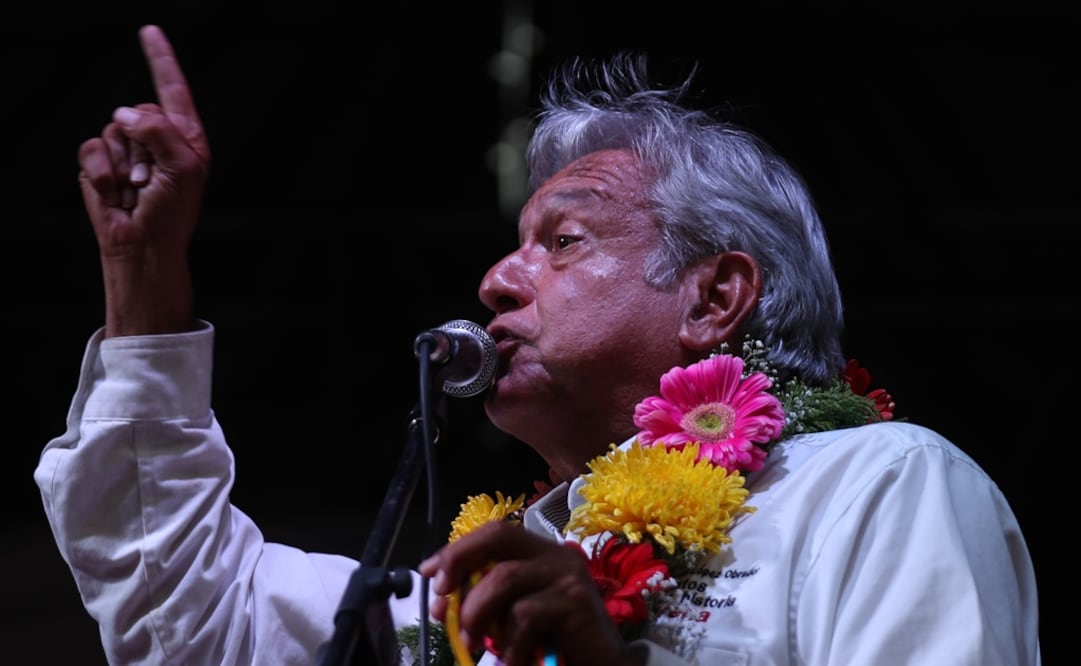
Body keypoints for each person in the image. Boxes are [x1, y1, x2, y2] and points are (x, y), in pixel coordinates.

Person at [35, 23, 1041, 666]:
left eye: (562, 240)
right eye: (515, 249)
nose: (494, 281)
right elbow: (186, 609)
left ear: (715, 294)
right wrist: (144, 274)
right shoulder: (473, 583)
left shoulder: (873, 484)